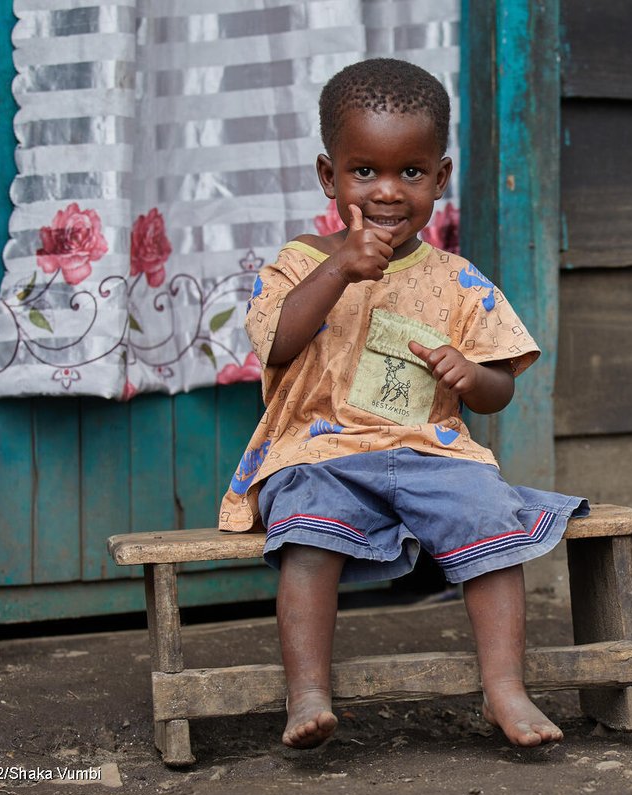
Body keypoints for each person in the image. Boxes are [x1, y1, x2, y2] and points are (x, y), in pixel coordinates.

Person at [218, 57, 588, 750]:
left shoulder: (459, 280)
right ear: (329, 176)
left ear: (440, 179)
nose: (388, 191)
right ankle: (307, 693)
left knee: (490, 516)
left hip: (430, 454)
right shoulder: (300, 262)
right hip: (321, 453)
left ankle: (505, 688)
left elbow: (501, 389)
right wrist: (339, 268)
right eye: (364, 171)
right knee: (305, 535)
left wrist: (471, 375)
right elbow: (276, 342)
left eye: (411, 172)